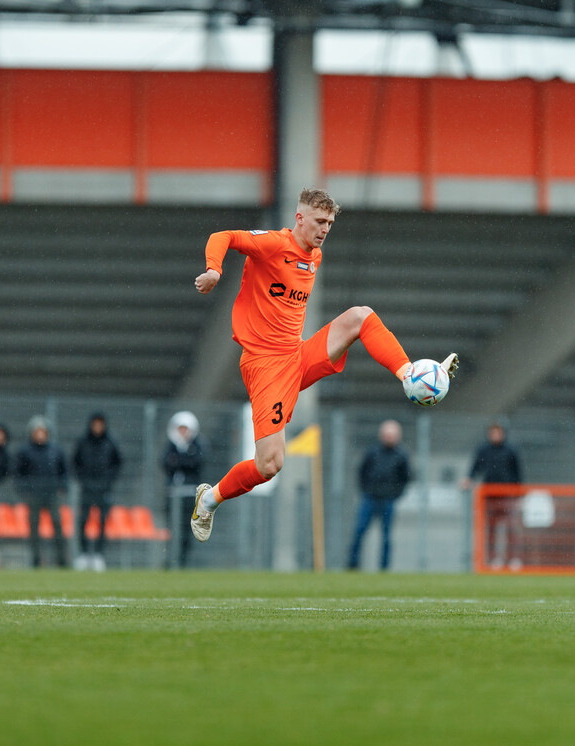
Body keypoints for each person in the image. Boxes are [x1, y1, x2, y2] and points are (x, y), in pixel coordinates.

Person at [188, 187, 457, 542]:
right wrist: (214, 270)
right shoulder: (272, 244)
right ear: (299, 218)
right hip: (266, 364)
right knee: (270, 465)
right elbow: (222, 236)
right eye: (319, 221)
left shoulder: (314, 257)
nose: (325, 228)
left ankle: (409, 373)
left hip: (297, 355)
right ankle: (209, 498)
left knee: (361, 316)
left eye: (330, 222)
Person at [347, 420, 411, 571]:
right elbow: (361, 472)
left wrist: (396, 494)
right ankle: (352, 565)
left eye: (392, 435)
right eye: (387, 435)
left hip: (388, 500)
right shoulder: (372, 452)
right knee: (359, 531)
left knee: (386, 537)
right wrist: (366, 489)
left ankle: (384, 568)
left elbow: (406, 477)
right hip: (369, 498)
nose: (389, 438)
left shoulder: (402, 455)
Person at [459, 422, 522, 568]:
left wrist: (519, 495)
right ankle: (494, 559)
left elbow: (518, 473)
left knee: (511, 529)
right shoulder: (483, 450)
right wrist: (469, 479)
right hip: (490, 496)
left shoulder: (511, 450)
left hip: (508, 496)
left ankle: (513, 559)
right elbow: (475, 467)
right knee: (491, 530)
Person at [14, 415, 69, 568]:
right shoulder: (25, 451)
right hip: (33, 496)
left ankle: (62, 561)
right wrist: (24, 491)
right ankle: (36, 560)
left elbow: (64, 471)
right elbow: (19, 473)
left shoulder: (55, 450)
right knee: (34, 529)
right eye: (37, 431)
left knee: (57, 526)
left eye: (42, 431)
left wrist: (62, 488)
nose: (40, 435)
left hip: (52, 495)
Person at [72, 412, 122, 571]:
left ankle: (99, 555)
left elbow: (117, 464)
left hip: (103, 489)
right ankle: (84, 554)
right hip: (87, 489)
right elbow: (75, 463)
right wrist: (83, 480)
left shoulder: (110, 443)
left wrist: (108, 480)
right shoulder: (83, 442)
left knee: (102, 522)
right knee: (83, 521)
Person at [162, 410, 207, 568]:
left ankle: (182, 560)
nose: (183, 432)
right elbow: (165, 464)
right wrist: (183, 460)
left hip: (189, 495)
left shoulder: (197, 445)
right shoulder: (171, 446)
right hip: (173, 495)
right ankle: (171, 558)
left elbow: (196, 463)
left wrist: (180, 461)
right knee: (172, 527)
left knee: (187, 528)